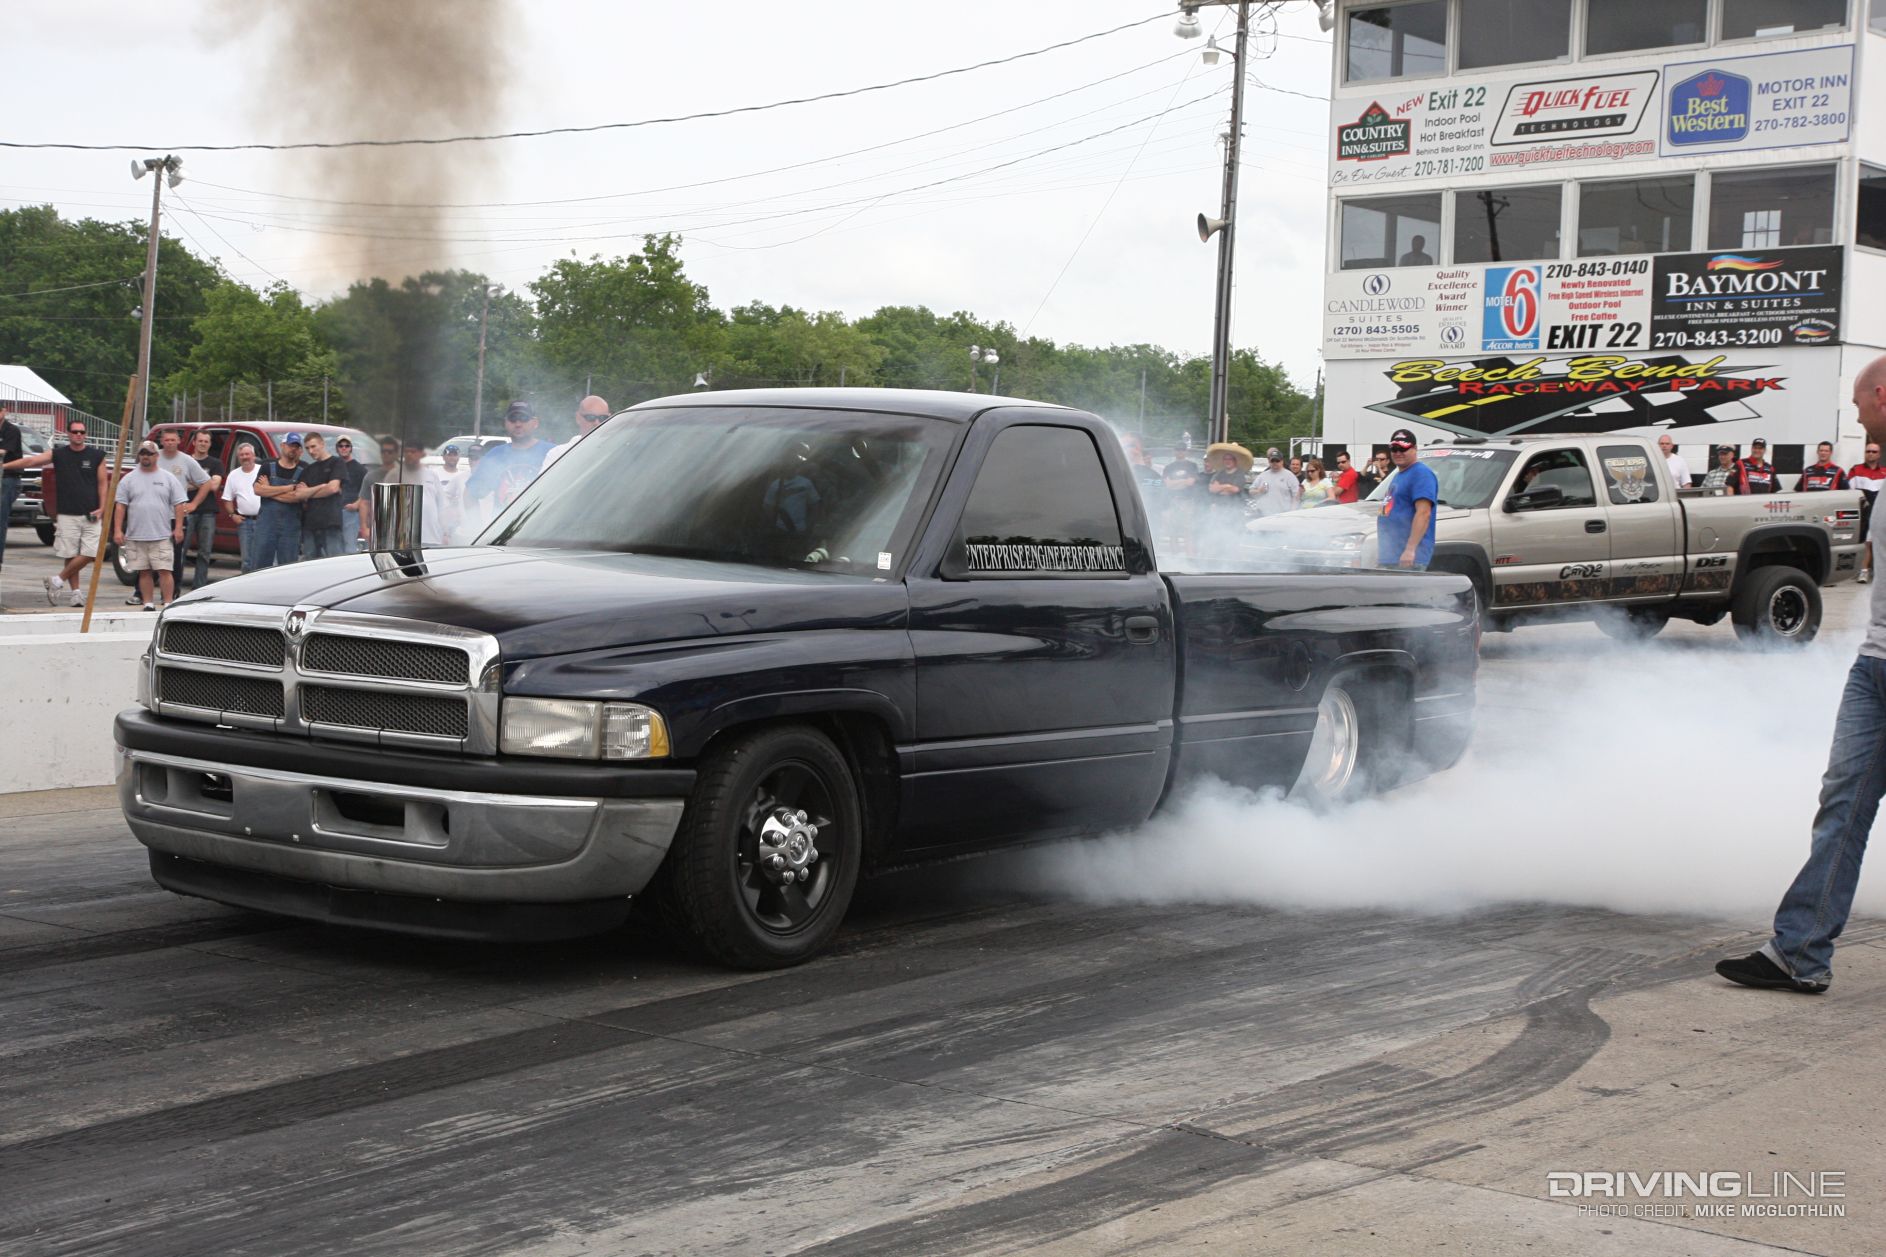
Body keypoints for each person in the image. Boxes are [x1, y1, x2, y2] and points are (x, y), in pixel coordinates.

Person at [1718, 353, 1886, 995]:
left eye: (1859, 399)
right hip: (1874, 669)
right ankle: (1801, 953)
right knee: (1842, 806)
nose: (1855, 411)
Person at [1, 420, 109, 606]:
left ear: (86, 434)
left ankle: (56, 580)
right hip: (67, 512)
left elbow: (103, 483)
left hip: (91, 513)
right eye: (75, 432)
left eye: (82, 432)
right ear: (68, 433)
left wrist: (102, 507)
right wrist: (4, 467)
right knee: (70, 553)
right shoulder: (59, 454)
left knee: (92, 553)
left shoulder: (96, 455)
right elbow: (31, 460)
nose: (78, 435)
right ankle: (75, 593)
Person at [113, 440, 189, 611]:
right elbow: (120, 505)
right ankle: (148, 603)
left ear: (157, 456)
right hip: (136, 534)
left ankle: (168, 602)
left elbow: (179, 504)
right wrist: (118, 529)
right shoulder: (128, 479)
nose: (145, 456)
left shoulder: (168, 478)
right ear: (139, 456)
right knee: (144, 571)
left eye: (149, 453)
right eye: (142, 453)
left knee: (164, 570)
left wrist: (178, 528)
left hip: (161, 534)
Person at [465, 400, 551, 514]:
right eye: (513, 419)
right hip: (505, 530)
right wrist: (475, 525)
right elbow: (470, 493)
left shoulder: (551, 452)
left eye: (524, 418)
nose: (518, 424)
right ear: (506, 423)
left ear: (535, 423)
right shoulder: (495, 455)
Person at [154, 427, 211, 580]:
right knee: (149, 556)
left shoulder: (186, 460)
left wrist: (194, 504)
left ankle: (173, 592)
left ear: (179, 441)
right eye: (167, 440)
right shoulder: (154, 458)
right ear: (161, 441)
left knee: (175, 556)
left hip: (175, 517)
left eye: (173, 440)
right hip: (153, 516)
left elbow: (206, 482)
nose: (170, 443)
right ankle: (140, 592)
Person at [1378, 427, 1437, 570]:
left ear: (1415, 448)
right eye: (1394, 449)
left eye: (1403, 449)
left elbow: (1424, 513)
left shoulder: (1421, 474)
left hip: (1409, 559)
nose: (1398, 453)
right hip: (1391, 556)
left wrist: (1410, 550)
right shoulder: (1398, 475)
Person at [250, 433, 307, 570]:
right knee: (259, 566)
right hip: (266, 526)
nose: (293, 449)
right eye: (290, 445)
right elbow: (257, 490)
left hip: (290, 527)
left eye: (296, 446)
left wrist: (269, 489)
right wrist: (288, 487)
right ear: (282, 446)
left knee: (287, 567)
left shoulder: (304, 469)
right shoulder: (267, 466)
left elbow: (296, 497)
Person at [182, 430, 225, 591]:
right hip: (186, 510)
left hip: (208, 511)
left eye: (206, 441)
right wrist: (205, 482)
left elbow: (214, 486)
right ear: (194, 442)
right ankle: (175, 585)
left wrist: (193, 482)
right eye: (200, 441)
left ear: (210, 444)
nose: (203, 444)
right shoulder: (185, 461)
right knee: (181, 550)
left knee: (205, 552)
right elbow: (180, 484)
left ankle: (199, 587)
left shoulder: (216, 463)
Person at [295, 432, 348, 559]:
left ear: (322, 444)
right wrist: (320, 487)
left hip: (331, 524)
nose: (311, 451)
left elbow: (332, 488)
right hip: (310, 525)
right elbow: (298, 494)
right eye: (307, 448)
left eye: (313, 446)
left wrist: (309, 492)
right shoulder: (308, 469)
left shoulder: (337, 463)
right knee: (309, 565)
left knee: (335, 562)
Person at [220, 441, 264, 572]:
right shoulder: (233, 475)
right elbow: (227, 499)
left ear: (254, 455)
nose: (245, 457)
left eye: (247, 454)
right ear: (238, 457)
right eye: (242, 455)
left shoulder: (262, 470)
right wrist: (233, 515)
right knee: (246, 560)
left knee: (263, 557)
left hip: (263, 520)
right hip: (244, 522)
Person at [1849, 441, 1886, 583]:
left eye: (1874, 452)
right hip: (1862, 511)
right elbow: (1850, 490)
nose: (1870, 454)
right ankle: (1863, 570)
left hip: (1879, 511)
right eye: (1868, 451)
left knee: (1873, 541)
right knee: (1865, 542)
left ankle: (1874, 572)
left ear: (1879, 454)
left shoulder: (1884, 472)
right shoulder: (1856, 470)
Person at [355, 434, 399, 549]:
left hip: (399, 528)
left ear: (396, 453)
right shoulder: (371, 476)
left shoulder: (402, 475)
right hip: (376, 528)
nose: (386, 454)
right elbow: (364, 503)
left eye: (390, 451)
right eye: (384, 451)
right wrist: (364, 528)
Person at [542, 395, 610, 469]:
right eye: (591, 417)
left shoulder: (617, 451)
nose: (597, 423)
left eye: (603, 418)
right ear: (578, 418)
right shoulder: (558, 455)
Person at [0, 414, 24, 598]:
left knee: (0, 522)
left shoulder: (11, 431)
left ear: (3, 411)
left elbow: (3, 452)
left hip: (7, 480)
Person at [334, 436, 369, 552]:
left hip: (351, 514)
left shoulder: (360, 469)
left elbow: (367, 492)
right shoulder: (334, 466)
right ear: (337, 448)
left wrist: (356, 505)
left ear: (351, 448)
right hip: (333, 513)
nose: (344, 448)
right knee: (335, 548)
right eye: (341, 446)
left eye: (347, 446)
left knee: (350, 547)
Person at [1248, 447, 1301, 517]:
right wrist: (1259, 491)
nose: (1275, 463)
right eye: (1272, 461)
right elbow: (1250, 491)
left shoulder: (1290, 476)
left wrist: (1291, 513)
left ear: (1282, 461)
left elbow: (1296, 497)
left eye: (1277, 460)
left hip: (1282, 515)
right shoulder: (1262, 475)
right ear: (1269, 461)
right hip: (1263, 514)